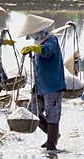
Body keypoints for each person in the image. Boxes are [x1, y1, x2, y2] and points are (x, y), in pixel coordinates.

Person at [19, 14, 65, 151]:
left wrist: (36, 49)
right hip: (40, 86)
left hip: (53, 85)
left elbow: (48, 52)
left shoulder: (51, 40)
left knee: (52, 115)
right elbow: (38, 68)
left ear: (40, 30)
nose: (31, 37)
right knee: (32, 111)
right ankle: (53, 135)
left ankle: (52, 143)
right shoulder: (38, 43)